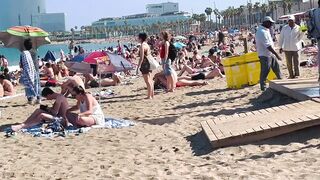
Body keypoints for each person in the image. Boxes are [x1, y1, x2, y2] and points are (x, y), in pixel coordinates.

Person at [255, 16, 282, 91]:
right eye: (270, 23)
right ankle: (263, 87)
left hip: (270, 54)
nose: (271, 25)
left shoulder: (266, 30)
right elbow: (267, 46)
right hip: (265, 55)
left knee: (276, 68)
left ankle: (281, 81)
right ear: (266, 23)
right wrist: (277, 54)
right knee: (265, 71)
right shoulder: (261, 32)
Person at [19, 39, 41, 104]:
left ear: (24, 46)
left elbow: (22, 64)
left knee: (28, 85)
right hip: (36, 70)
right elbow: (37, 62)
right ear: (32, 45)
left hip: (29, 71)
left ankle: (30, 99)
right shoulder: (35, 52)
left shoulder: (24, 54)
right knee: (37, 84)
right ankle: (38, 99)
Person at [136, 32, 154, 99]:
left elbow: (141, 57)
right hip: (149, 63)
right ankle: (151, 94)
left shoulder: (142, 46)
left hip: (145, 64)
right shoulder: (146, 45)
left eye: (138, 37)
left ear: (140, 38)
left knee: (147, 80)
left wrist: (138, 66)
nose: (137, 39)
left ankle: (149, 96)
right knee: (150, 79)